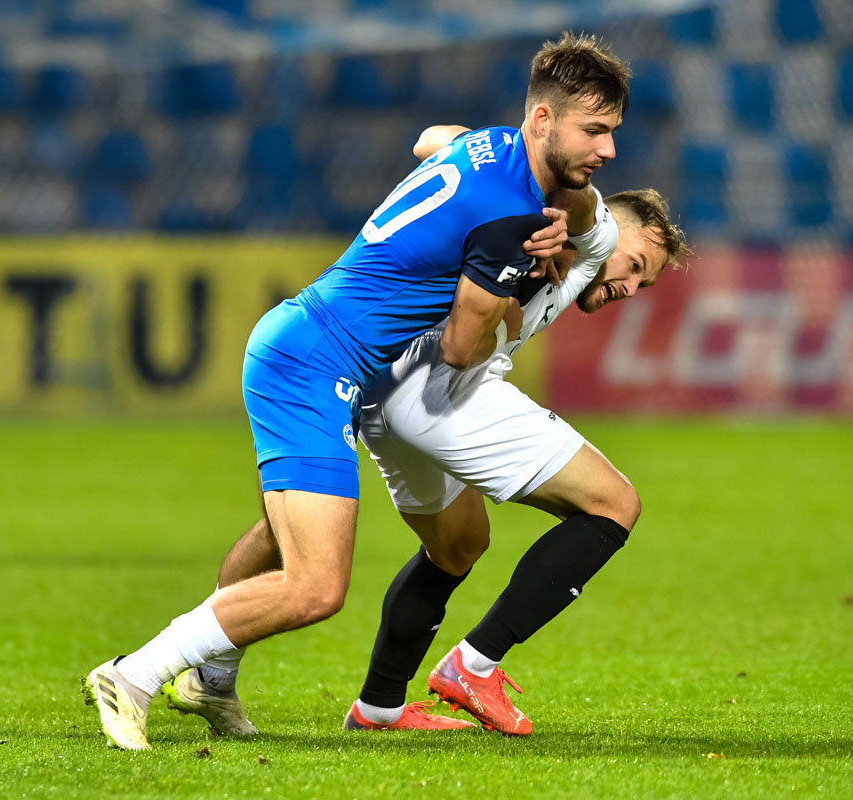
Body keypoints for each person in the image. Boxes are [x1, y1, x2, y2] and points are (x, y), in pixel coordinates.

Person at [82, 32, 632, 751]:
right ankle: (132, 674)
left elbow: (430, 139)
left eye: (613, 132)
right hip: (310, 367)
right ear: (542, 119)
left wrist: (553, 226)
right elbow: (461, 350)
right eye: (594, 131)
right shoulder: (508, 219)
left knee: (280, 536)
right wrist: (516, 281)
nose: (608, 149)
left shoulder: (489, 146)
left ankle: (211, 678)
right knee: (316, 587)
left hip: (303, 346)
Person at [160, 153, 686, 737]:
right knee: (614, 503)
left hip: (384, 389)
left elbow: (441, 143)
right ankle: (475, 665)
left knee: (452, 545)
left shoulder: (538, 225)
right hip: (442, 389)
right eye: (634, 265)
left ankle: (372, 706)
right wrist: (557, 225)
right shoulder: (573, 225)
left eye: (644, 283)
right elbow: (508, 183)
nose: (631, 287)